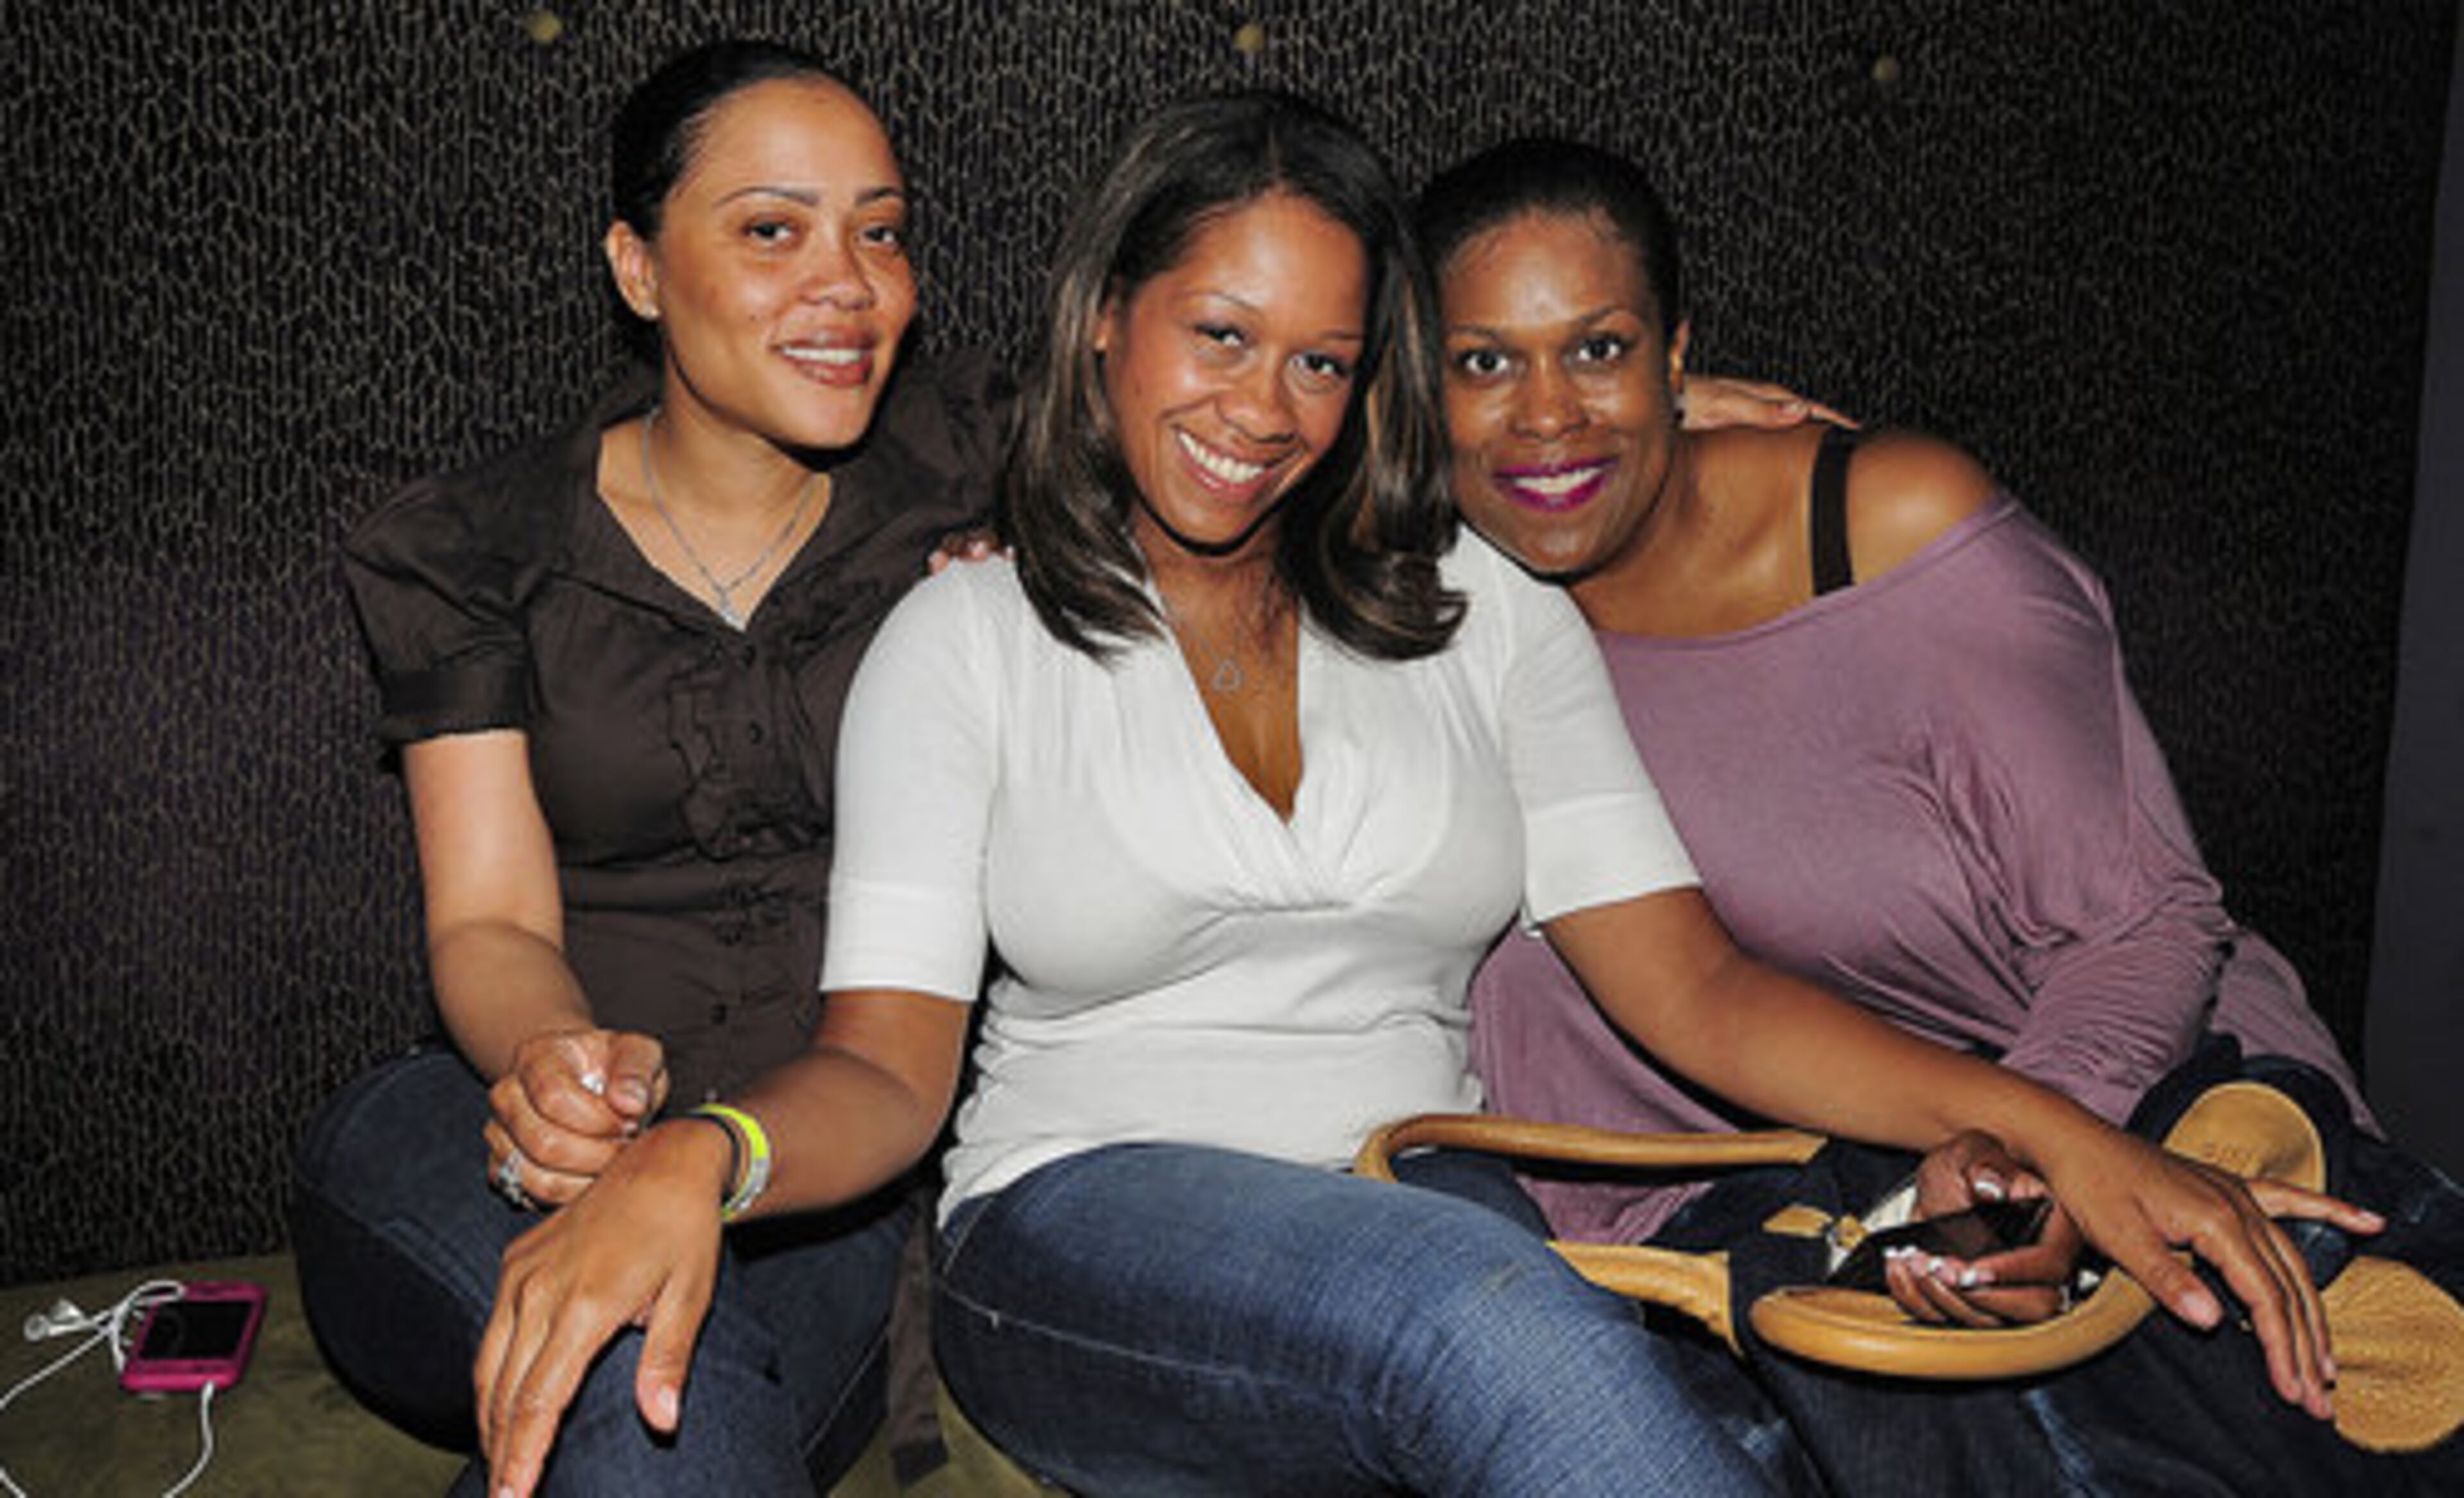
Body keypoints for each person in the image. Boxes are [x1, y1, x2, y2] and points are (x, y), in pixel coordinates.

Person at [456, 90, 2371, 1498]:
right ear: (1107, 319)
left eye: (1318, 360)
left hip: (1432, 1206)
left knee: (1657, 1363)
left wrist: (2060, 1128)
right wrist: (705, 1153)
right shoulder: (966, 645)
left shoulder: (1485, 628)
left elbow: (1693, 991)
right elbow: (885, 1067)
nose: (1262, 409)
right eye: (1219, 337)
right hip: (1090, 1232)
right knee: (1492, 1324)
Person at [1425, 134, 2464, 1492]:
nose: (1547, 415)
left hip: (2114, 1082)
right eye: (1486, 361)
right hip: (1768, 1197)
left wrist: (2034, 1157)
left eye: (1598, 350)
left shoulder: (1887, 531)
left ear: (1676, 356)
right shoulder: (1428, 603)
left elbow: (2145, 917)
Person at [286, 40, 1007, 1495]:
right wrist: (555, 1065)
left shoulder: (982, 474)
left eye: (879, 230)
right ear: (637, 266)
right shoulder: (479, 546)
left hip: (827, 1187)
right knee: (632, 1332)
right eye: (770, 230)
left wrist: (1029, 602)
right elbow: (490, 917)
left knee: (649, 1369)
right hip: (490, 1137)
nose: (849, 283)